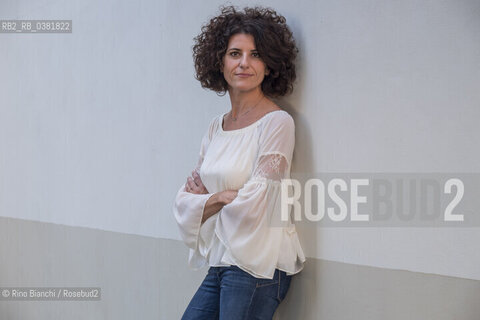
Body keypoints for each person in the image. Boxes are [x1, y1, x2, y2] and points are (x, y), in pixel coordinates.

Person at [173, 5, 306, 320]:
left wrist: (209, 199)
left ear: (270, 66)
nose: (245, 63)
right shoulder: (215, 128)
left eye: (256, 54)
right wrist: (219, 197)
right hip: (223, 260)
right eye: (235, 53)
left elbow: (258, 201)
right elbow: (183, 201)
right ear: (219, 62)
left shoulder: (277, 123)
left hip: (259, 264)